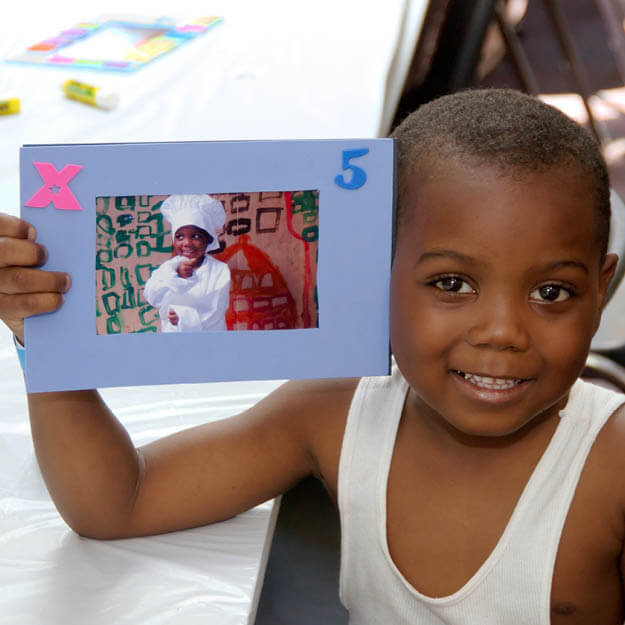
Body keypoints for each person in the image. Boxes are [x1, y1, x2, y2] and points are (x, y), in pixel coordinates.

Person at [0, 88, 624, 623]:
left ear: (602, 292)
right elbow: (117, 502)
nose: (501, 332)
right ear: (369, 272)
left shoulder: (613, 463)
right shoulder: (332, 415)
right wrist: (45, 337)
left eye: (552, 292)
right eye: (451, 284)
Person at [143, 194, 231, 332]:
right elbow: (152, 296)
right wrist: (175, 275)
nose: (187, 243)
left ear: (208, 239)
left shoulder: (220, 270)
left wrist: (183, 317)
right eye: (180, 237)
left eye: (196, 236)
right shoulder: (169, 267)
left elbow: (215, 311)